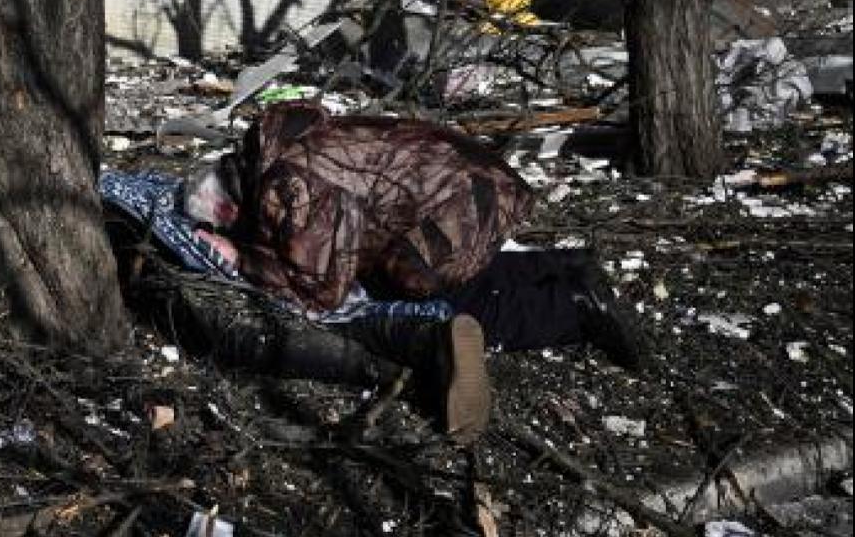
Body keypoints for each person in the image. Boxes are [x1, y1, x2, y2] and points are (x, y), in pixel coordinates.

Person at [182, 102, 643, 443]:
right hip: (472, 180)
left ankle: (573, 309)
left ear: (227, 205)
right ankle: (565, 266)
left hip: (464, 205)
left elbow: (322, 291)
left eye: (223, 223)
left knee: (428, 290)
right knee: (425, 266)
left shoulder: (284, 188)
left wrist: (243, 260)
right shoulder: (282, 146)